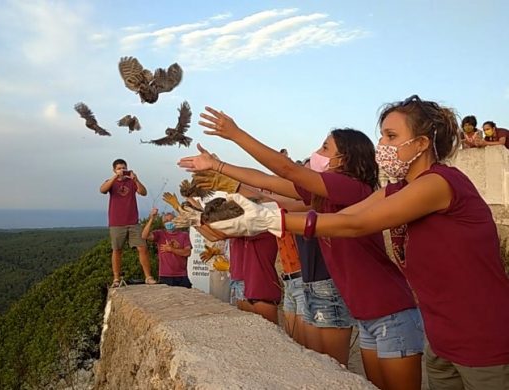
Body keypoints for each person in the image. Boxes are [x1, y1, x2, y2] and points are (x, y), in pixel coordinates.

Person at [202, 96, 509, 390]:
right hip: (442, 341)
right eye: (382, 137)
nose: (383, 146)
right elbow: (341, 216)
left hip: (482, 339)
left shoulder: (439, 182)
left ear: (422, 143)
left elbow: (353, 223)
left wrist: (266, 218)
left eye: (391, 136)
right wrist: (257, 213)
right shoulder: (396, 190)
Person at [179, 117, 424, 388]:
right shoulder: (326, 197)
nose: (316, 153)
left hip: (390, 310)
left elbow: (285, 171)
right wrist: (220, 168)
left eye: (325, 147)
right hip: (368, 315)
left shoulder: (352, 188)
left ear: (343, 160)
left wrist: (235, 134)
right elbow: (268, 184)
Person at [100, 158, 156, 287]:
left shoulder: (131, 182)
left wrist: (136, 180)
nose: (122, 170)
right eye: (119, 168)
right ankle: (116, 278)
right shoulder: (111, 182)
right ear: (114, 170)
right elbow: (102, 190)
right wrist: (115, 178)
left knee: (142, 247)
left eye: (124, 168)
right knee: (117, 250)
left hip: (133, 222)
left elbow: (143, 192)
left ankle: (148, 276)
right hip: (116, 222)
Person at [142, 209, 192, 288]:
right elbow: (144, 236)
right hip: (165, 276)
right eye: (166, 221)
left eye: (171, 220)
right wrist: (151, 218)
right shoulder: (160, 234)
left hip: (182, 276)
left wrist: (171, 249)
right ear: (163, 223)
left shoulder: (184, 235)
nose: (169, 222)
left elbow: (187, 252)